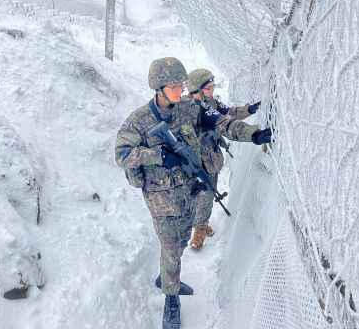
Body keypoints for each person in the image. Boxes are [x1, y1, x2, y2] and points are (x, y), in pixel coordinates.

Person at [114, 57, 272, 329]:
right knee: (171, 246)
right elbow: (122, 154)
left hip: (188, 191)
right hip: (160, 197)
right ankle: (170, 298)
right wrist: (159, 155)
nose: (180, 90)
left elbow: (221, 123)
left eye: (182, 85)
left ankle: (167, 278)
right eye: (174, 86)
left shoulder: (190, 107)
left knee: (183, 237)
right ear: (158, 88)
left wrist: (253, 134)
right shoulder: (138, 120)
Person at [183, 68, 262, 250]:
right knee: (196, 197)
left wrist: (247, 110)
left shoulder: (210, 104)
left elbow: (229, 115)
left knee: (207, 195)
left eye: (213, 88)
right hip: (190, 162)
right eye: (208, 88)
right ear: (196, 89)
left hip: (209, 160)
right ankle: (199, 226)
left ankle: (200, 227)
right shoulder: (184, 108)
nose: (212, 92)